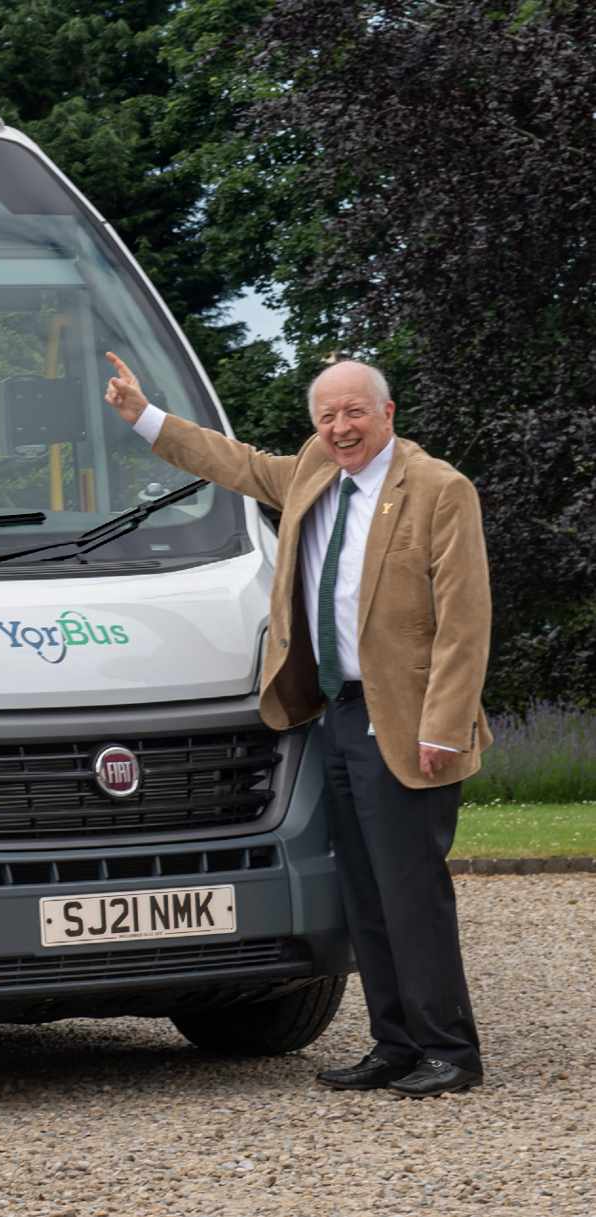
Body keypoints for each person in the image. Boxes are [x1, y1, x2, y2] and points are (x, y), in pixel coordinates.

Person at [102, 353, 491, 1098]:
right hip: (337, 713)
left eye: (353, 413)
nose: (339, 428)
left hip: (409, 726)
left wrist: (442, 726)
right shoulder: (315, 469)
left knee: (411, 891)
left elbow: (465, 625)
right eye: (327, 415)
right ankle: (395, 1044)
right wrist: (143, 417)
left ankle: (449, 1050)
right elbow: (236, 463)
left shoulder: (439, 489)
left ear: (387, 414)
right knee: (364, 890)